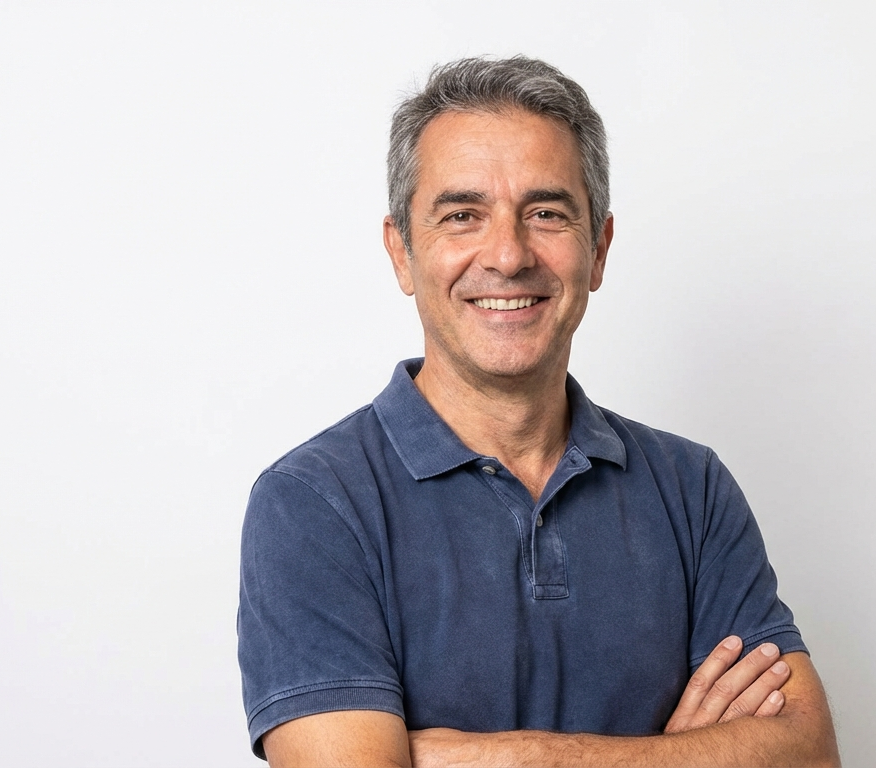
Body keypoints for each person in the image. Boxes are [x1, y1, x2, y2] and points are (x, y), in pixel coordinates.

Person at [238, 56, 839, 767]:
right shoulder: (314, 503)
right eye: (462, 216)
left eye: (546, 214)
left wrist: (486, 758)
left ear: (599, 249)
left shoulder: (692, 488)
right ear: (402, 252)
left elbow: (808, 752)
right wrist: (681, 756)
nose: (507, 254)